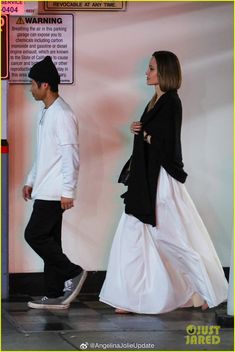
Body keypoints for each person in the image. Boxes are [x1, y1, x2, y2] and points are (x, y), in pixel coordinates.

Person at [99, 50, 228, 314]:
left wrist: (143, 133)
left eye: (152, 69)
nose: (146, 73)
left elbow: (167, 145)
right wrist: (141, 131)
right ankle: (129, 296)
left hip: (161, 181)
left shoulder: (171, 102)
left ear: (165, 72)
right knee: (133, 235)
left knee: (173, 238)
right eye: (148, 68)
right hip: (146, 180)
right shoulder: (154, 102)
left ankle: (204, 291)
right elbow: (153, 138)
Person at [23, 56, 87, 310]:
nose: (30, 88)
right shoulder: (47, 112)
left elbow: (70, 155)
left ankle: (73, 272)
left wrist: (68, 191)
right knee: (51, 240)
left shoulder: (63, 114)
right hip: (44, 188)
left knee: (34, 235)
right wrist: (30, 180)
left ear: (45, 85)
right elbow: (44, 154)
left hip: (54, 192)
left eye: (33, 84)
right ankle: (54, 294)